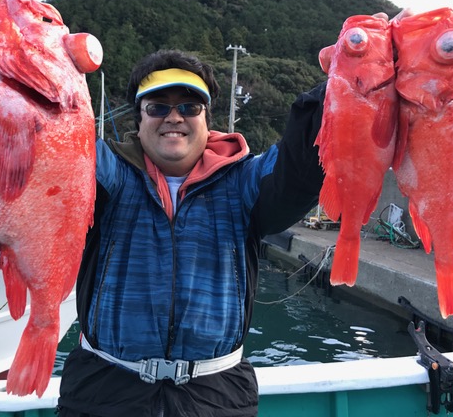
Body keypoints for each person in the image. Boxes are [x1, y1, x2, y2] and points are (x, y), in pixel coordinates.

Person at [56, 48, 326, 416]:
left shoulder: (243, 181)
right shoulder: (107, 172)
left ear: (206, 118)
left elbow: (301, 166)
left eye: (188, 106)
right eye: (157, 107)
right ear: (139, 119)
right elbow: (50, 137)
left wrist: (348, 80)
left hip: (219, 397)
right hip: (102, 392)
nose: (173, 117)